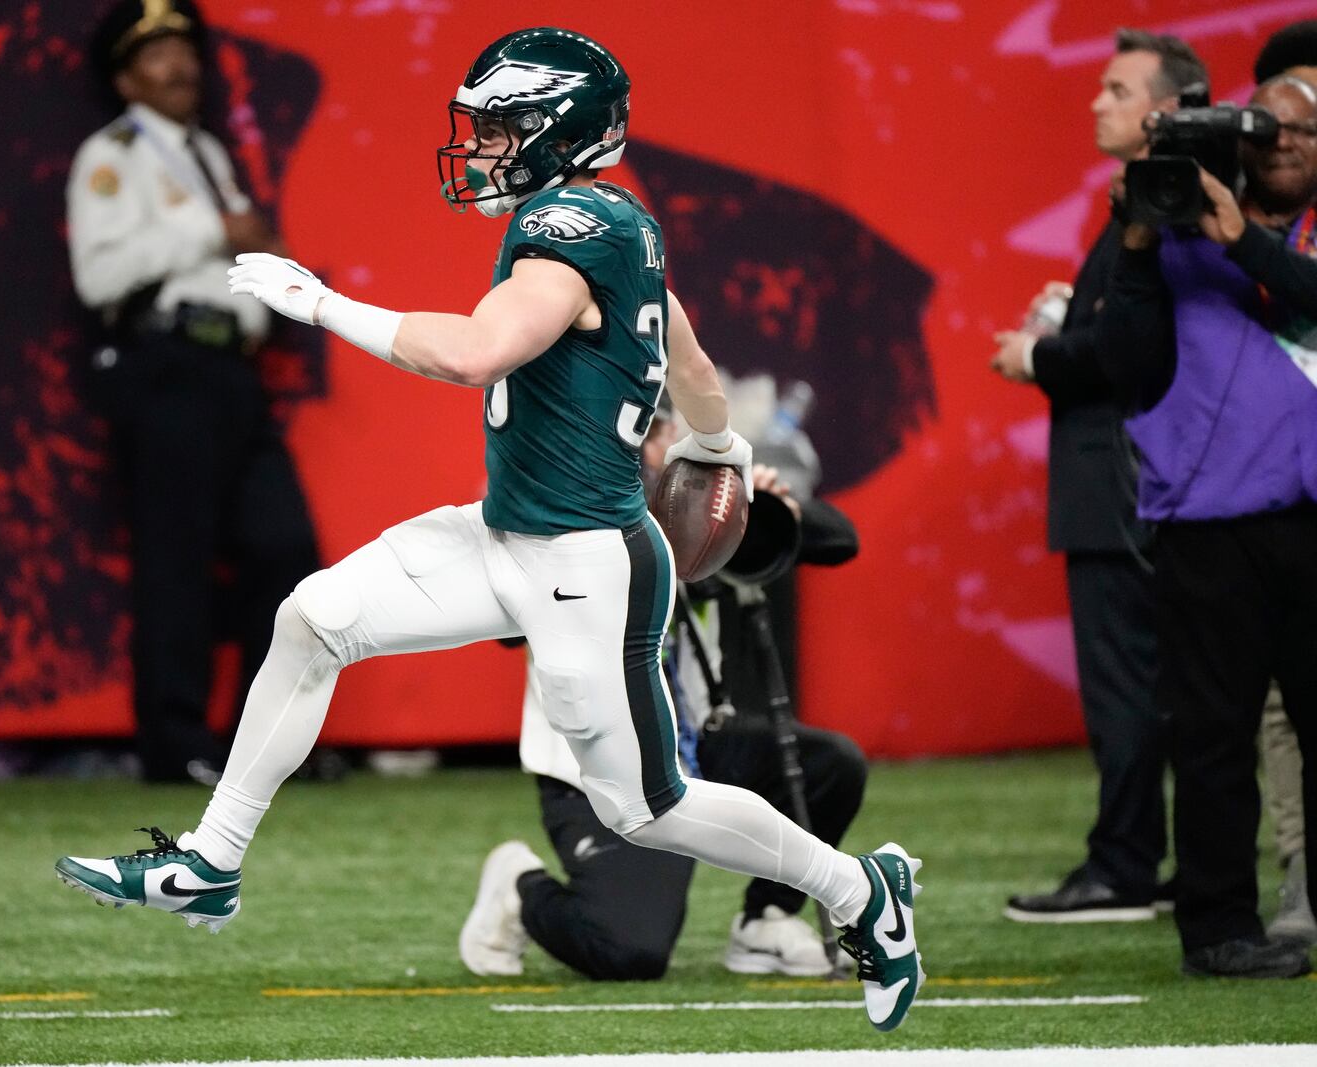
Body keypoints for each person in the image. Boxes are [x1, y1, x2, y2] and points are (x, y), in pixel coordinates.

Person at [54, 27, 925, 1032]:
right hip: (509, 532)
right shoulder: (619, 221)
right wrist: (720, 443)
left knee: (646, 807)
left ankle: (861, 893)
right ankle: (210, 860)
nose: (481, 148)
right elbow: (683, 348)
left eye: (501, 128)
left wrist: (323, 303)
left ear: (560, 129)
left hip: (584, 560)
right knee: (313, 617)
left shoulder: (567, 228)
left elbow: (475, 352)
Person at [462, 418, 868, 981]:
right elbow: (503, 628)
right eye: (635, 436)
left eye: (655, 435)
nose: (644, 453)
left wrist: (774, 508)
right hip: (595, 765)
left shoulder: (705, 517)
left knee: (832, 765)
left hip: (697, 742)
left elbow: (841, 540)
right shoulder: (565, 516)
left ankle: (766, 921)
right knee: (629, 951)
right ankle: (518, 884)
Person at [1096, 72, 1317, 978]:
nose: (1282, 143)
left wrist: (1244, 244)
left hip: (1312, 523)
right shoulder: (1174, 234)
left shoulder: (1276, 241)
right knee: (1214, 739)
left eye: (1303, 130)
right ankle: (1219, 930)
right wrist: (1140, 243)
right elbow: (1129, 369)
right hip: (1207, 529)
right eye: (1266, 129)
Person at [66, 0, 318, 783]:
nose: (180, 66)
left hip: (234, 369)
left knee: (282, 546)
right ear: (124, 76)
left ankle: (263, 742)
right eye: (158, 54)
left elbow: (234, 252)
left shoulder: (208, 150)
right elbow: (98, 276)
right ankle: (176, 746)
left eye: (184, 49)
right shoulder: (110, 157)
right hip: (168, 367)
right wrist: (218, 232)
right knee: (175, 558)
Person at [989, 29, 1205, 925]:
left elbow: (1128, 352)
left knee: (1127, 686)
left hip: (1121, 476)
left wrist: (1038, 352)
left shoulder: (1163, 207)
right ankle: (1153, 860)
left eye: (1116, 89)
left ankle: (1122, 865)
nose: (1095, 101)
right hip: (1135, 473)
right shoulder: (1152, 203)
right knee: (1155, 685)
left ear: (1163, 108)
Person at [1252, 21, 1317, 950]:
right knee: (1277, 701)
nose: (1293, 138)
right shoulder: (1220, 206)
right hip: (1269, 491)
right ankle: (1302, 868)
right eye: (1281, 116)